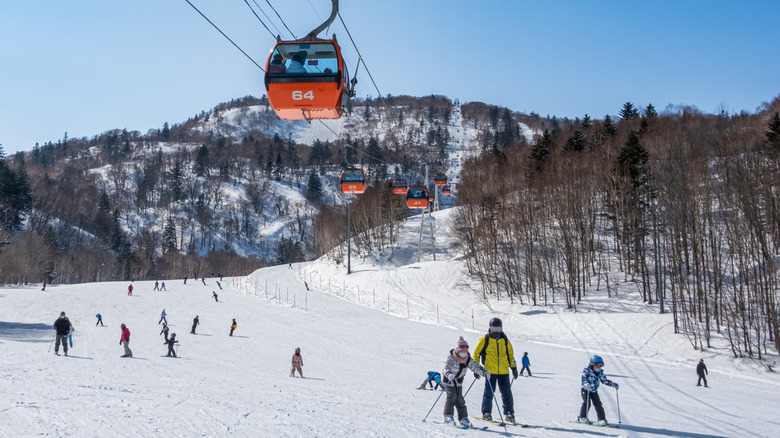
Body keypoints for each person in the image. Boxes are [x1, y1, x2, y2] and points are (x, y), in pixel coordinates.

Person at [473, 317, 518, 424]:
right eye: (494, 329)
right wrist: (476, 369)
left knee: (507, 394)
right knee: (489, 393)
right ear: (490, 328)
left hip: (504, 372)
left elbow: (510, 355)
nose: (497, 331)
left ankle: (509, 414)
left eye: (498, 329)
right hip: (490, 372)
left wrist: (513, 367)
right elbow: (476, 354)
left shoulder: (505, 340)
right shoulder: (485, 340)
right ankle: (486, 413)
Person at [443, 336, 489, 428]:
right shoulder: (451, 357)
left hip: (459, 380)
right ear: (457, 350)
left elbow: (475, 366)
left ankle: (463, 418)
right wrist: (448, 374)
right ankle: (448, 416)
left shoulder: (467, 359)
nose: (464, 353)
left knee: (460, 399)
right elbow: (445, 367)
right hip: (449, 379)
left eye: (465, 351)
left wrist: (484, 372)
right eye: (462, 351)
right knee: (452, 396)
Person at [578, 355, 619, 425]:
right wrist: (586, 384)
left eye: (600, 366)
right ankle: (582, 417)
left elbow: (604, 381)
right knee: (587, 403)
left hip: (593, 391)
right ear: (592, 365)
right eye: (597, 366)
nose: (599, 368)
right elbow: (584, 379)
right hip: (585, 389)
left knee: (598, 404)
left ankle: (601, 419)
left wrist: (613, 384)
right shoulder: (587, 371)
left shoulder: (600, 373)